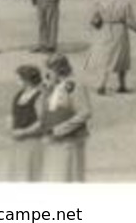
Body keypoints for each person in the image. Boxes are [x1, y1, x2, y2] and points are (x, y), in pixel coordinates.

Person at [86, 0, 136, 95]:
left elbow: (94, 19)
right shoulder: (124, 3)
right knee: (122, 58)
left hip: (105, 31)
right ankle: (122, 85)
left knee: (106, 59)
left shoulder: (100, 2)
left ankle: (101, 84)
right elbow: (129, 21)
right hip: (119, 32)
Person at [40, 54, 91, 182]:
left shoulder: (74, 86)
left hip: (69, 141)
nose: (47, 75)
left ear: (59, 70)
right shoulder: (56, 86)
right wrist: (47, 90)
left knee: (69, 177)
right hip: (54, 141)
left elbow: (85, 112)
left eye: (49, 71)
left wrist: (59, 130)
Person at [7, 64, 46, 182]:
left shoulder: (40, 96)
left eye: (18, 78)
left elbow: (43, 122)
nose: (16, 81)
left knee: (31, 177)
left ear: (27, 80)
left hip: (33, 143)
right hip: (17, 143)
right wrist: (10, 126)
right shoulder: (19, 95)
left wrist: (23, 132)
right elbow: (12, 115)